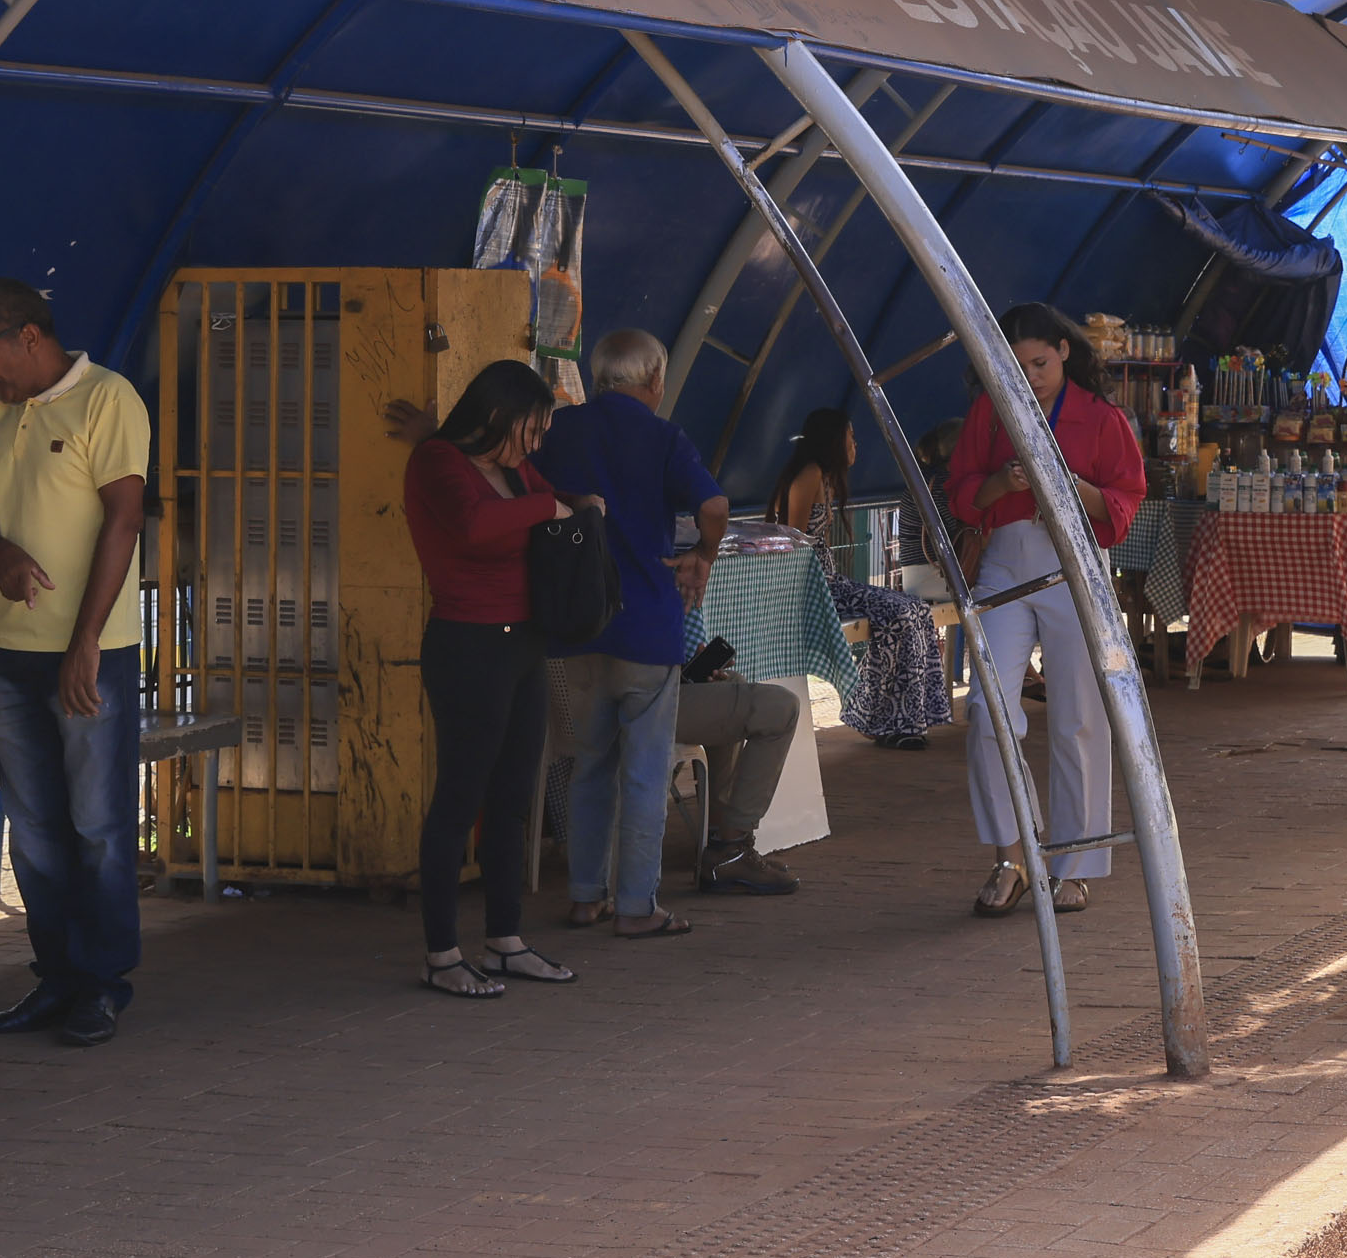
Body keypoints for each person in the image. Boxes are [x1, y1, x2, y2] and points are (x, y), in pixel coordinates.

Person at [538, 330, 800, 930]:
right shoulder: (662, 437)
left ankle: (585, 895)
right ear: (656, 380)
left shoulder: (562, 430)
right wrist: (703, 554)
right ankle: (637, 905)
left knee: (591, 763)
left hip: (575, 625)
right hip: (644, 624)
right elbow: (714, 507)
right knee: (646, 769)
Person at [0, 278, 149, 1048]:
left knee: (98, 824)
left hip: (91, 653)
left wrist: (87, 642)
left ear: (29, 336)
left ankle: (103, 985)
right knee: (34, 829)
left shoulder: (109, 399)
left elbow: (124, 519)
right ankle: (57, 978)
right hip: (15, 654)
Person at [401, 358, 598, 998]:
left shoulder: (512, 467)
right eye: (532, 429)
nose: (537, 443)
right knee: (461, 799)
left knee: (514, 799)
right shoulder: (438, 462)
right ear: (498, 416)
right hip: (468, 645)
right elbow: (475, 525)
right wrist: (550, 506)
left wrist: (573, 504)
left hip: (523, 643)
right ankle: (440, 953)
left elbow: (549, 502)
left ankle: (506, 940)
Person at [942, 304, 1146, 919]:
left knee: (1080, 721)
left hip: (1072, 565)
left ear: (1063, 350)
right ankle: (1014, 857)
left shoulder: (1102, 417)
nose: (1030, 375)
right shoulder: (988, 410)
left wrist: (1062, 482)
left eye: (1041, 362)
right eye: (1017, 364)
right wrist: (1003, 484)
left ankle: (1076, 868)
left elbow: (1125, 500)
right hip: (1006, 560)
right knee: (987, 712)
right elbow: (959, 493)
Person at [769, 409, 953, 752]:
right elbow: (793, 541)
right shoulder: (809, 475)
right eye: (850, 437)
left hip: (831, 583)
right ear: (833, 441)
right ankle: (883, 717)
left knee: (914, 609)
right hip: (815, 588)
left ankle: (902, 719)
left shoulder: (825, 476)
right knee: (899, 613)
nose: (855, 444)